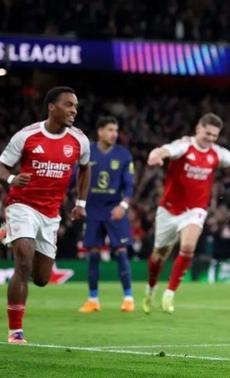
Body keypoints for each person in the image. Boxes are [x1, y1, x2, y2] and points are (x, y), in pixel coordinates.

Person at [143, 113, 230, 314]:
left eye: (215, 135)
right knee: (159, 255)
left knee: (188, 246)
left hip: (195, 210)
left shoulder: (217, 153)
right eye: (208, 134)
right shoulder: (184, 146)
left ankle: (169, 294)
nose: (211, 138)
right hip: (168, 210)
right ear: (198, 128)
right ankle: (150, 289)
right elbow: (163, 150)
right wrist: (155, 156)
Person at [0, 86, 90, 344]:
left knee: (42, 279)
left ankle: (13, 237)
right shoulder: (27, 136)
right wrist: (12, 179)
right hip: (22, 205)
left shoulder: (79, 140)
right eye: (68, 105)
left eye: (76, 106)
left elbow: (85, 168)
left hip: (50, 214)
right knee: (23, 264)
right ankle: (15, 331)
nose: (74, 110)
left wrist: (80, 202)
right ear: (52, 107)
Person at [78, 116, 136, 313]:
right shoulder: (88, 152)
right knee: (93, 254)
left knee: (121, 251)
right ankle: (93, 299)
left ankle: (128, 298)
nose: (114, 134)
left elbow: (129, 185)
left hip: (114, 211)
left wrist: (123, 206)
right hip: (93, 210)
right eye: (110, 130)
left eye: (116, 130)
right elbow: (76, 178)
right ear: (100, 131)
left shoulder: (123, 155)